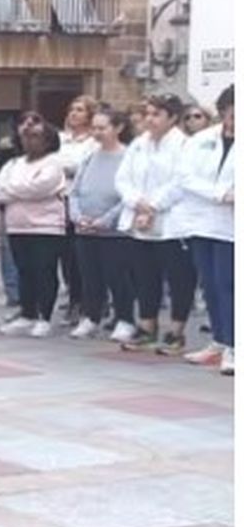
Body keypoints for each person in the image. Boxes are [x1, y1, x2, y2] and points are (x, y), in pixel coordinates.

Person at [115, 93, 196, 354]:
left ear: (172, 118)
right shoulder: (139, 143)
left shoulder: (184, 145)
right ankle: (147, 326)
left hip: (172, 221)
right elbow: (123, 178)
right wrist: (137, 201)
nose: (149, 119)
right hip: (140, 218)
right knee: (144, 275)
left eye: (156, 114)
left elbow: (181, 181)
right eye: (147, 113)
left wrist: (153, 205)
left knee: (178, 277)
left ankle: (176, 332)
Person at [173, 85, 233, 374]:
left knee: (229, 284)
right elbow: (185, 176)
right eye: (230, 114)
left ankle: (235, 345)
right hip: (202, 221)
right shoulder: (201, 140)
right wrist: (219, 194)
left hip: (233, 226)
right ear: (222, 113)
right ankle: (219, 340)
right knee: (210, 284)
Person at [0, 123, 68, 338]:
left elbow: (41, 187)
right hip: (17, 227)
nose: (29, 140)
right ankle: (27, 313)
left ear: (48, 140)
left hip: (46, 227)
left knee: (44, 270)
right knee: (24, 271)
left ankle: (44, 316)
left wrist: (13, 191)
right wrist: (19, 190)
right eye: (26, 136)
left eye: (35, 136)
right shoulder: (14, 164)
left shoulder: (53, 164)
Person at [66, 107, 134, 342]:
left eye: (102, 128)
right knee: (89, 276)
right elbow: (74, 191)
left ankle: (125, 319)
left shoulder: (128, 157)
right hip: (85, 229)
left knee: (117, 276)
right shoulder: (90, 157)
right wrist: (77, 216)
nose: (97, 132)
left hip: (114, 232)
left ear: (118, 129)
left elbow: (128, 196)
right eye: (94, 127)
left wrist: (105, 220)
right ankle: (91, 317)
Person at [56, 96, 97, 320]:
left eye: (80, 110)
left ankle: (89, 299)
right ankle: (73, 297)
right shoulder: (61, 140)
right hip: (61, 199)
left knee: (83, 254)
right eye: (72, 109)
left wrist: (68, 168)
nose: (74, 114)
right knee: (66, 255)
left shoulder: (92, 142)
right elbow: (53, 163)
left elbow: (83, 167)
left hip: (83, 200)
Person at [0, 132, 23, 309]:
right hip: (6, 210)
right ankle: (13, 292)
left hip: (27, 213)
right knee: (8, 252)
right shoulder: (5, 164)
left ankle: (22, 291)